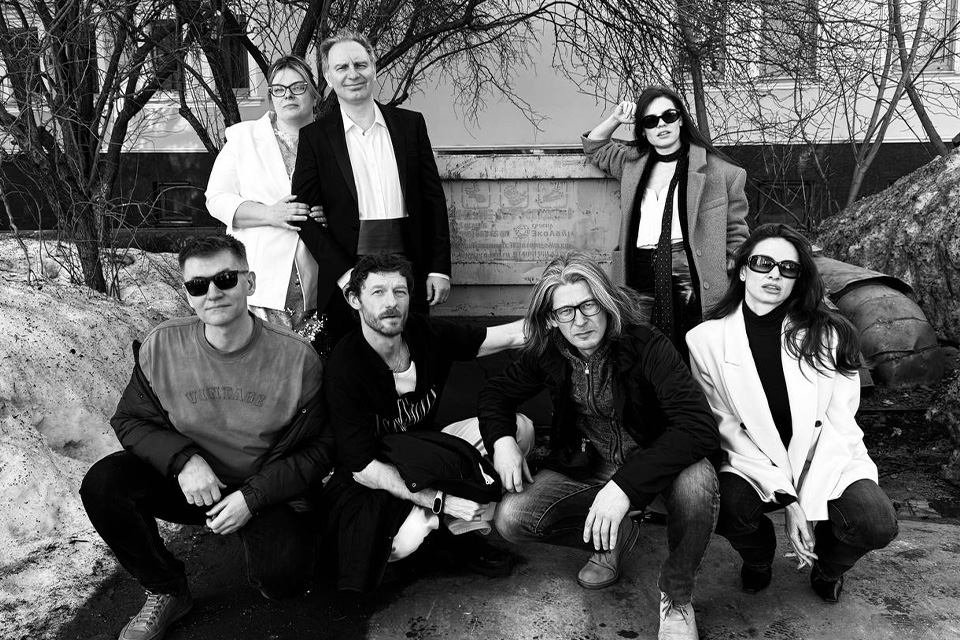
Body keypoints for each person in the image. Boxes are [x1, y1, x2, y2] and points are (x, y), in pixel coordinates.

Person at [80, 235, 332, 640]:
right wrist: (183, 461)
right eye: (198, 285)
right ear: (187, 294)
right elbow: (130, 420)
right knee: (103, 485)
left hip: (264, 489)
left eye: (225, 279)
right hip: (190, 485)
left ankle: (272, 540)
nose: (212, 293)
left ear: (250, 282)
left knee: (284, 581)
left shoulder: (297, 358)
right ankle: (166, 589)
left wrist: (253, 497)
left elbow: (319, 449)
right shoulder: (162, 345)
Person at [478, 252, 720, 640]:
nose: (580, 321)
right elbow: (495, 393)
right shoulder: (550, 351)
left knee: (698, 483)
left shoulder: (646, 345)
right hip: (590, 465)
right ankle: (613, 536)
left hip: (656, 468)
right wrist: (502, 440)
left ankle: (677, 596)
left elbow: (699, 427)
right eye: (566, 311)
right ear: (552, 318)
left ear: (606, 303)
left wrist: (625, 487)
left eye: (589, 305)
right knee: (511, 517)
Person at [685, 223, 898, 603]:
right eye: (763, 263)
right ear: (743, 270)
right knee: (723, 508)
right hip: (752, 462)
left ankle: (828, 566)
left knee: (876, 521)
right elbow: (728, 429)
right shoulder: (705, 341)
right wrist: (789, 501)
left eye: (787, 268)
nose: (774, 274)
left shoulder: (829, 335)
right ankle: (758, 557)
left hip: (822, 458)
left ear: (798, 279)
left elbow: (838, 425)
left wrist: (810, 501)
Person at [321, 253, 532, 593]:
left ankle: (464, 536)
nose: (391, 303)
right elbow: (363, 469)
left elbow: (505, 337)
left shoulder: (424, 333)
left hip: (428, 453)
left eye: (399, 291)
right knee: (401, 544)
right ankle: (438, 530)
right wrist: (440, 501)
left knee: (517, 431)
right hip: (380, 478)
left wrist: (562, 314)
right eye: (378, 292)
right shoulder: (346, 366)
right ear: (354, 299)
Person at [292, 31, 451, 347]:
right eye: (341, 67)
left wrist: (439, 268)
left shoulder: (410, 125)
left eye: (360, 64)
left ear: (374, 69)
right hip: (348, 272)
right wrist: (344, 275)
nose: (352, 74)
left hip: (412, 267)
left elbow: (433, 199)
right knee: (351, 361)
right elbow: (302, 215)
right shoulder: (315, 138)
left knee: (413, 353)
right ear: (328, 77)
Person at [582, 86, 749, 357]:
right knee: (641, 349)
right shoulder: (631, 164)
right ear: (643, 130)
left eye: (668, 116)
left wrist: (724, 271)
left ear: (680, 119)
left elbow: (737, 234)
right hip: (638, 270)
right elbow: (595, 146)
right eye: (650, 121)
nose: (661, 124)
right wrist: (616, 119)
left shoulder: (720, 173)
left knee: (693, 351)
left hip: (690, 272)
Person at [205, 55, 324, 340]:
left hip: (317, 281)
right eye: (279, 89)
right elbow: (216, 199)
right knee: (261, 358)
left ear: (314, 93)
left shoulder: (332, 140)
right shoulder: (244, 138)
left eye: (298, 87)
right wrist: (270, 214)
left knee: (310, 362)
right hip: (262, 286)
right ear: (271, 96)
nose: (288, 95)